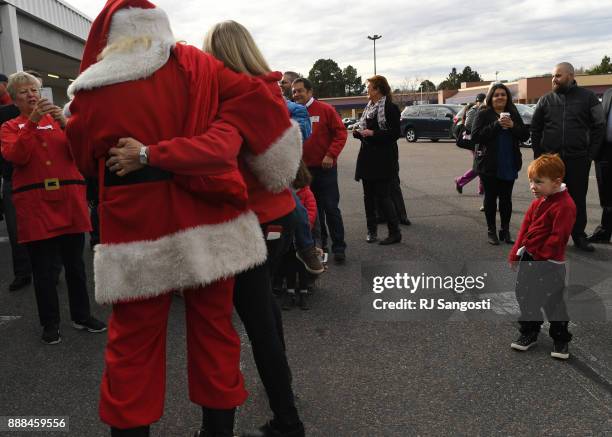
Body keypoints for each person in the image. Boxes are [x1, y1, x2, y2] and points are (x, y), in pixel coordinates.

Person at [65, 1, 301, 436]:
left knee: (132, 347)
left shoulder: (90, 91)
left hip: (137, 229)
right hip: (212, 223)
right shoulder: (200, 65)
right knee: (216, 335)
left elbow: (82, 160)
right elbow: (257, 93)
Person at [202, 20, 305, 437]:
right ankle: (285, 405)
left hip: (255, 219)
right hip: (277, 216)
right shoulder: (265, 89)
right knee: (266, 316)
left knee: (257, 323)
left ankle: (287, 419)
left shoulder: (235, 93)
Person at [0, 71, 106, 344]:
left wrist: (67, 125)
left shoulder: (61, 121)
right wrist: (33, 123)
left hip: (69, 199)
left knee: (75, 265)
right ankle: (50, 322)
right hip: (35, 205)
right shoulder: (10, 127)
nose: (31, 95)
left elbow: (82, 153)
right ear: (14, 99)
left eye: (34, 90)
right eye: (23, 92)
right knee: (44, 270)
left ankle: (81, 316)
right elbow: (17, 157)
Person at [531, 62, 605, 252]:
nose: (554, 80)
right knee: (548, 199)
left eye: (558, 76)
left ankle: (578, 236)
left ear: (571, 76)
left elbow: (599, 126)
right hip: (551, 161)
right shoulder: (545, 100)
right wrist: (539, 156)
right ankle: (548, 235)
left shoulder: (588, 98)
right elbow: (536, 128)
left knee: (577, 199)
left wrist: (591, 154)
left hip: (579, 159)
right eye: (553, 76)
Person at [508, 154, 576, 359]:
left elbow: (558, 237)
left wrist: (541, 256)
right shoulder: (538, 203)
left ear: (556, 182)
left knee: (553, 301)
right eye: (531, 181)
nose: (533, 186)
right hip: (531, 258)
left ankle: (560, 338)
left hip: (549, 263)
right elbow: (525, 229)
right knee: (525, 295)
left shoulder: (565, 205)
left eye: (538, 182)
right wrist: (515, 253)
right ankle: (529, 332)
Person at [292, 77, 348, 262]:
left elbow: (340, 133)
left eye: (300, 90)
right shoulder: (291, 112)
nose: (296, 94)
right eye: (294, 92)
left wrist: (331, 155)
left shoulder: (325, 110)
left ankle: (339, 247)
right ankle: (319, 245)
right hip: (304, 171)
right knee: (313, 211)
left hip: (325, 169)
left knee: (331, 208)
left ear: (310, 92)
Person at [472, 83, 529, 245]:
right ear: (491, 97)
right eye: (496, 95)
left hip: (509, 162)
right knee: (490, 199)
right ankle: (491, 231)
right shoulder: (483, 113)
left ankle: (505, 230)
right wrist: (497, 124)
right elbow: (476, 136)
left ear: (507, 97)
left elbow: (525, 135)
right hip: (489, 163)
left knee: (506, 200)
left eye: (503, 94)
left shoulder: (513, 112)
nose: (500, 97)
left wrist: (512, 126)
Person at [353, 75, 402, 245]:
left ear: (378, 90)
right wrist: (358, 133)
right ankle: (371, 231)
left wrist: (374, 133)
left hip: (383, 159)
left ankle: (394, 232)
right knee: (368, 196)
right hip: (367, 158)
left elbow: (396, 133)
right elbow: (365, 129)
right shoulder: (369, 107)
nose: (367, 90)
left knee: (383, 196)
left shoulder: (390, 108)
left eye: (369, 87)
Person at [281, 161, 318, 311]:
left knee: (301, 266)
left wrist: (305, 226)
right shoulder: (286, 192)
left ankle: (303, 292)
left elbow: (311, 211)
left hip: (301, 235)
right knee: (290, 265)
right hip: (290, 236)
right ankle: (291, 292)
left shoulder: (306, 193)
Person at [587, 86, 612, 244]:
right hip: (606, 151)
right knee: (607, 195)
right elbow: (599, 122)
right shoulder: (609, 93)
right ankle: (604, 231)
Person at [455, 93, 486, 195]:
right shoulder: (474, 110)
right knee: (479, 166)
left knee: (481, 166)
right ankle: (460, 181)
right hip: (474, 142)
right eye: (481, 101)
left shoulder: (480, 110)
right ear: (477, 101)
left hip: (479, 142)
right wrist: (478, 130)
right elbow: (468, 125)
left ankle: (482, 189)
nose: (482, 103)